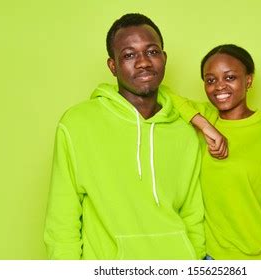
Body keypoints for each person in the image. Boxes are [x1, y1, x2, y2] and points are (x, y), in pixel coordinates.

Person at [44, 13, 218, 260]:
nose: (143, 62)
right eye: (128, 55)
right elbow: (62, 222)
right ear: (112, 66)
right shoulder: (77, 124)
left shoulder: (185, 128)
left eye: (152, 52)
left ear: (164, 58)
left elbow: (192, 212)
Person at [171, 44, 261, 259]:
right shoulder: (204, 118)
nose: (219, 87)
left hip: (260, 259)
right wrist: (205, 125)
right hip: (209, 258)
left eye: (230, 77)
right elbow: (162, 95)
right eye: (211, 80)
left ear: (248, 80)